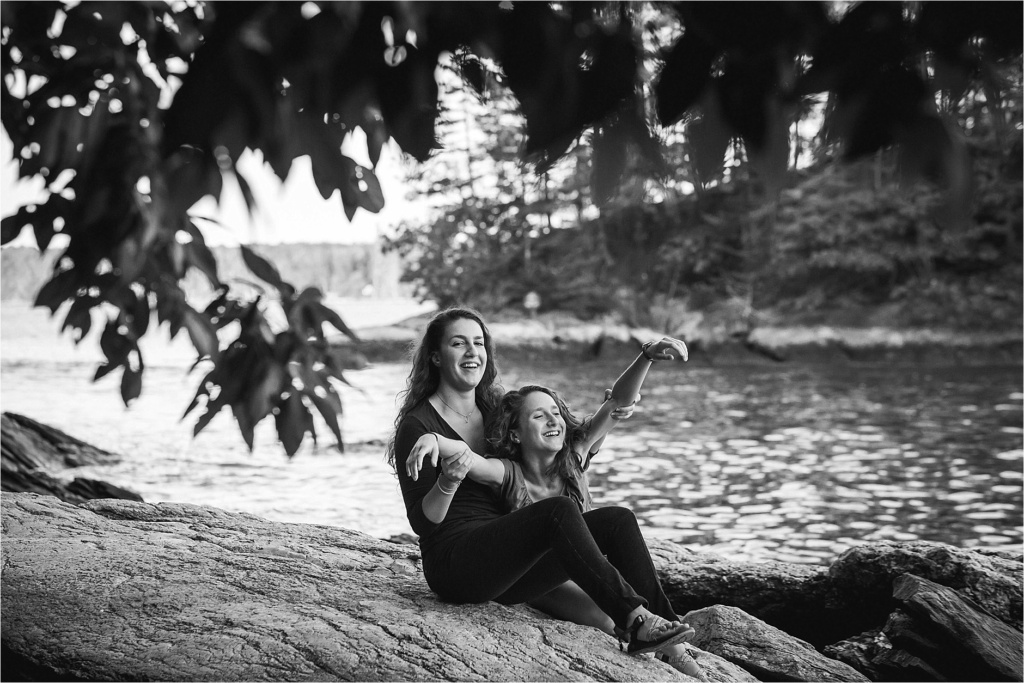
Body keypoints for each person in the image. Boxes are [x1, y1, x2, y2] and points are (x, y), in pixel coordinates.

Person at [387, 306, 698, 668]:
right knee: (558, 512)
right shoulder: (418, 426)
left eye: (479, 343)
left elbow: (600, 415)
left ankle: (671, 640)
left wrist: (645, 357)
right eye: (459, 343)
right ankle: (637, 620)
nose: (472, 352)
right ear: (436, 356)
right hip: (457, 568)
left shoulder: (496, 410)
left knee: (617, 520)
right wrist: (447, 480)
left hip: (510, 566)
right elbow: (423, 524)